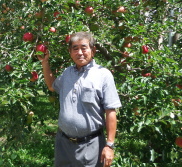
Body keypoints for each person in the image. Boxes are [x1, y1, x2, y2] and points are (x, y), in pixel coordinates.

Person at [37, 32, 122, 167]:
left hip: (90, 145)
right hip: (63, 143)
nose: (80, 52)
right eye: (75, 48)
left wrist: (109, 145)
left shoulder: (103, 75)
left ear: (93, 50)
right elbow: (51, 85)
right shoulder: (67, 73)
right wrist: (45, 62)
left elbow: (110, 111)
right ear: (70, 52)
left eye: (84, 48)